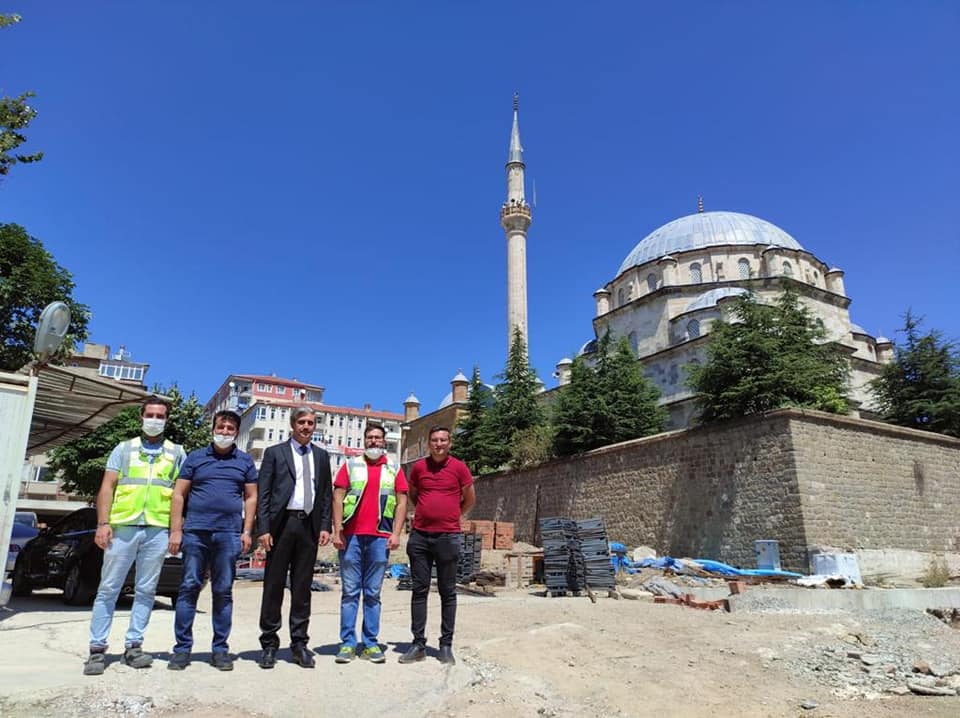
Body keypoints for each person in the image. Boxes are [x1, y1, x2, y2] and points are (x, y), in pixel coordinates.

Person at [83, 396, 187, 676]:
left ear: (166, 420)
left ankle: (134, 645)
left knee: (146, 590)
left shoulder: (176, 452)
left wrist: (176, 529)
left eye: (160, 416)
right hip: (123, 527)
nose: (155, 419)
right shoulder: (124, 449)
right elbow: (107, 488)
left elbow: (179, 494)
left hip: (156, 530)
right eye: (150, 414)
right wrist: (102, 523)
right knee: (109, 589)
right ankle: (96, 649)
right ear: (141, 417)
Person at [166, 410, 258, 671]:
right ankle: (182, 650)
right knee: (188, 587)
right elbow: (179, 494)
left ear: (236, 433)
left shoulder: (245, 461)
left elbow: (251, 497)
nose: (225, 432)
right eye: (221, 427)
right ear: (213, 429)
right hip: (196, 532)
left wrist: (247, 530)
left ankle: (220, 650)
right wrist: (176, 529)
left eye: (230, 429)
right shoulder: (195, 458)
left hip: (229, 534)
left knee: (223, 591)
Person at [255, 406, 332, 669]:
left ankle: (299, 643)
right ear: (292, 424)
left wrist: (325, 526)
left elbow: (325, 494)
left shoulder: (321, 456)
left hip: (308, 527)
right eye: (302, 422)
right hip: (281, 526)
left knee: (302, 588)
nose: (306, 427)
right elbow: (263, 493)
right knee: (274, 586)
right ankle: (269, 643)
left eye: (311, 422)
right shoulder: (275, 453)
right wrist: (263, 529)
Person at [331, 422, 408, 664]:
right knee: (350, 592)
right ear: (364, 441)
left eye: (378, 438)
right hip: (351, 536)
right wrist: (337, 530)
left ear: (384, 441)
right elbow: (337, 497)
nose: (374, 441)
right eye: (370, 438)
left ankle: (371, 643)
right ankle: (347, 643)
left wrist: (396, 533)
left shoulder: (393, 467)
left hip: (380, 537)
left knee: (373, 593)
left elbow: (402, 501)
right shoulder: (351, 465)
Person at [399, 425, 475, 666]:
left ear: (449, 443)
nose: (439, 444)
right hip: (420, 537)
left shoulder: (459, 468)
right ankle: (418, 644)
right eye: (434, 440)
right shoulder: (419, 467)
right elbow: (413, 495)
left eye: (443, 440)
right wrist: (425, 512)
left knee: (447, 591)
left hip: (448, 537)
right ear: (428, 443)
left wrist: (454, 515)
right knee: (419, 590)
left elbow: (470, 498)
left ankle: (445, 646)